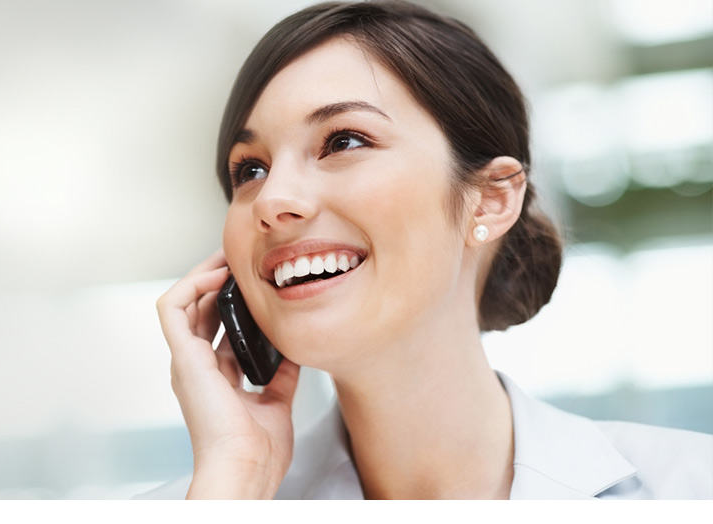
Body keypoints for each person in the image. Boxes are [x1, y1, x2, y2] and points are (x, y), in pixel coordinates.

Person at [138, 0, 713, 499]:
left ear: (490, 201)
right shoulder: (215, 498)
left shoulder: (689, 487)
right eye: (250, 169)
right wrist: (236, 477)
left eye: (343, 141)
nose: (271, 200)